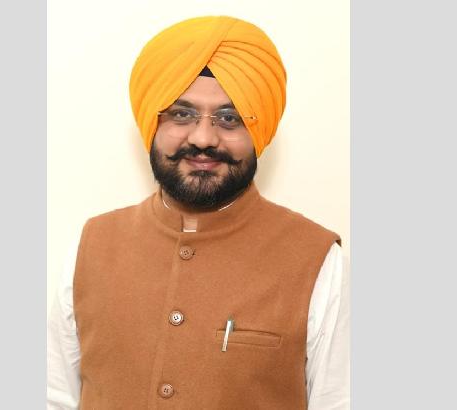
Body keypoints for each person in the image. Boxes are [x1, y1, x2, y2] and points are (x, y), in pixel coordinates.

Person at [47, 15, 349, 410]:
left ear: (257, 131)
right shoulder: (91, 246)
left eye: (229, 118)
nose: (203, 138)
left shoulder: (317, 260)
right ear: (152, 124)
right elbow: (54, 398)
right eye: (181, 114)